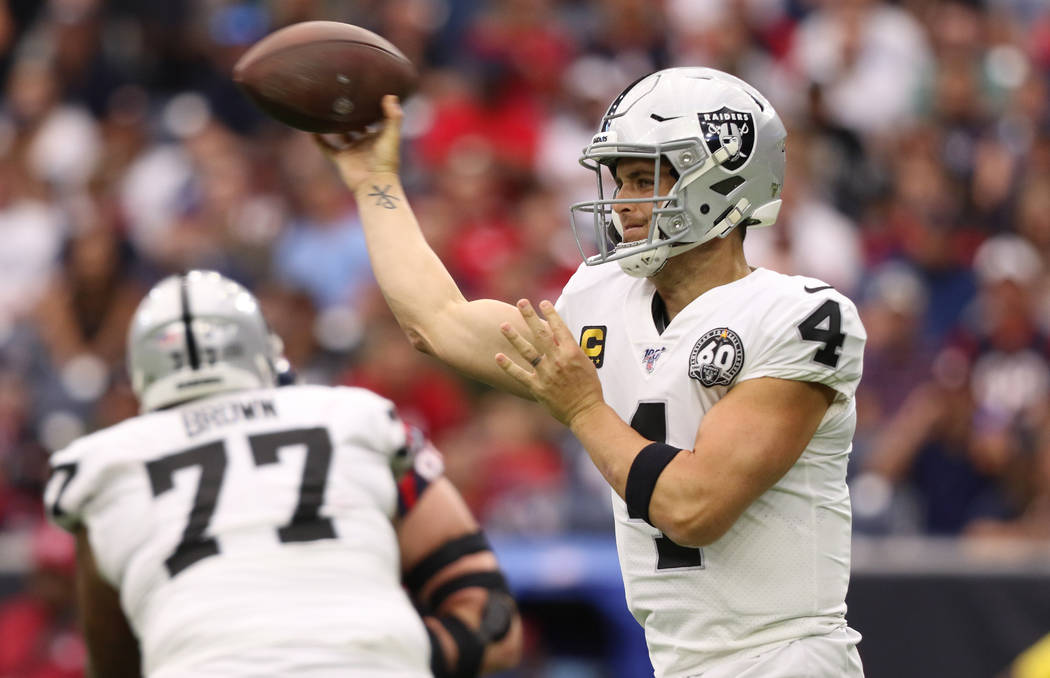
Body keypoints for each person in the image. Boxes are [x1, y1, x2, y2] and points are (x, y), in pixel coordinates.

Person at [318, 66, 867, 677]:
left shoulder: (799, 315)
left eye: (647, 179)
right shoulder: (605, 298)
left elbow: (694, 507)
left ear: (724, 175)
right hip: (680, 662)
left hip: (783, 659)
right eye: (621, 180)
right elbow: (439, 321)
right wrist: (375, 181)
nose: (625, 204)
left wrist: (582, 409)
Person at [43, 270, 522, 678]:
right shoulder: (353, 418)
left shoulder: (107, 466)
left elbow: (118, 665)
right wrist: (381, 651)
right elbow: (492, 623)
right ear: (265, 354)